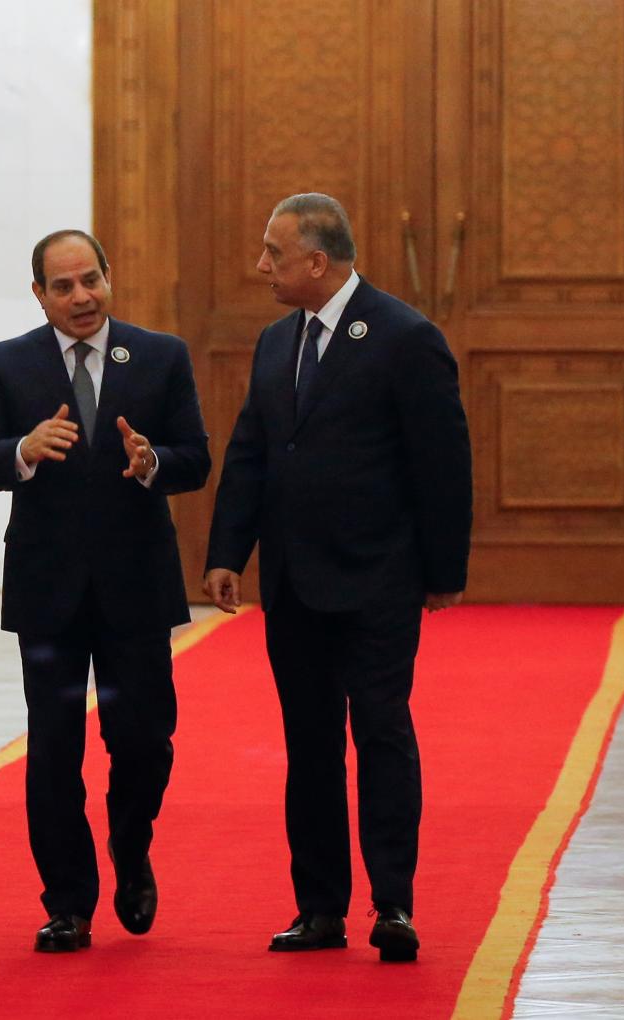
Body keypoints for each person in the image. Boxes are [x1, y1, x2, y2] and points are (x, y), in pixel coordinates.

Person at [203, 193, 472, 963]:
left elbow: (442, 463)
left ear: (317, 262)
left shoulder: (405, 337)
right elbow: (252, 454)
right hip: (293, 585)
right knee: (309, 747)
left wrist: (443, 569)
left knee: (381, 732)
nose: (262, 267)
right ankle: (319, 908)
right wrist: (228, 553)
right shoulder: (272, 342)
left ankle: (394, 904)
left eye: (273, 254)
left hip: (377, 578)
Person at [0, 229, 211, 952]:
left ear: (109, 277)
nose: (81, 297)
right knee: (53, 749)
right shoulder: (6, 364)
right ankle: (67, 900)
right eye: (63, 286)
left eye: (90, 280)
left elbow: (196, 456)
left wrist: (153, 459)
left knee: (143, 741)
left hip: (135, 588)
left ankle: (131, 849)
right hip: (48, 592)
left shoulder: (160, 356)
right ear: (39, 295)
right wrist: (21, 452)